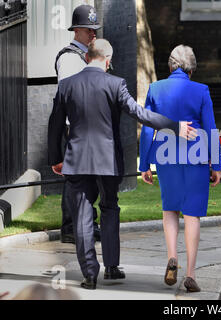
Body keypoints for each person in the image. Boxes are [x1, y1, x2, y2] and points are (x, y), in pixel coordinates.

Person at [48, 39, 197, 290]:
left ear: (87, 58)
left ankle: (89, 274)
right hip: (107, 161)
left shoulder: (66, 85)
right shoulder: (115, 84)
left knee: (82, 216)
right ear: (107, 60)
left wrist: (56, 159)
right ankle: (112, 266)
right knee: (109, 208)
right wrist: (174, 125)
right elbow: (140, 113)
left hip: (77, 160)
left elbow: (54, 125)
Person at [139, 45, 221, 293]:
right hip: (195, 156)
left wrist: (144, 163)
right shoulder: (201, 90)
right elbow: (211, 128)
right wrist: (216, 164)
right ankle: (190, 273)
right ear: (191, 69)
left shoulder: (155, 88)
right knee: (192, 214)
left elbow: (147, 128)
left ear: (170, 66)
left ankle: (172, 256)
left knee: (170, 209)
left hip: (165, 155)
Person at [55, 4, 103, 244]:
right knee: (74, 179)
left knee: (88, 178)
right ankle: (71, 226)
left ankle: (85, 223)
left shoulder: (87, 56)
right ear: (76, 30)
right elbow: (70, 95)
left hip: (87, 127)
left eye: (94, 29)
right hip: (74, 127)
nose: (93, 33)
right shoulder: (69, 58)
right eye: (88, 29)